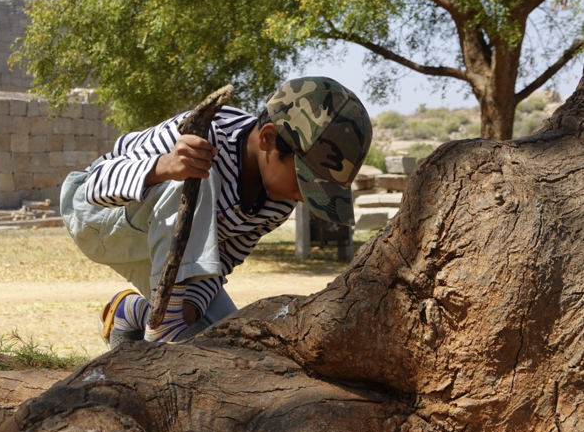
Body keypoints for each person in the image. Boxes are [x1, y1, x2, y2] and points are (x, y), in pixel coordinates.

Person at [60, 77, 373, 348]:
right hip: (96, 219)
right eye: (306, 181)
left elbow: (225, 258)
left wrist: (192, 307)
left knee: (231, 343)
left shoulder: (279, 202)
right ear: (267, 139)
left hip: (164, 257)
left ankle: (135, 313)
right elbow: (95, 186)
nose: (305, 198)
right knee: (199, 174)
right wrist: (164, 166)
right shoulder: (202, 137)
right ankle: (165, 326)